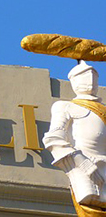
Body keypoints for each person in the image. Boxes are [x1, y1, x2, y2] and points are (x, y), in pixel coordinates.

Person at [43, 60, 106, 215]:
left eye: (93, 77)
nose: (90, 81)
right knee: (90, 202)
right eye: (84, 76)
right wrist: (82, 163)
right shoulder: (65, 106)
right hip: (83, 166)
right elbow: (54, 139)